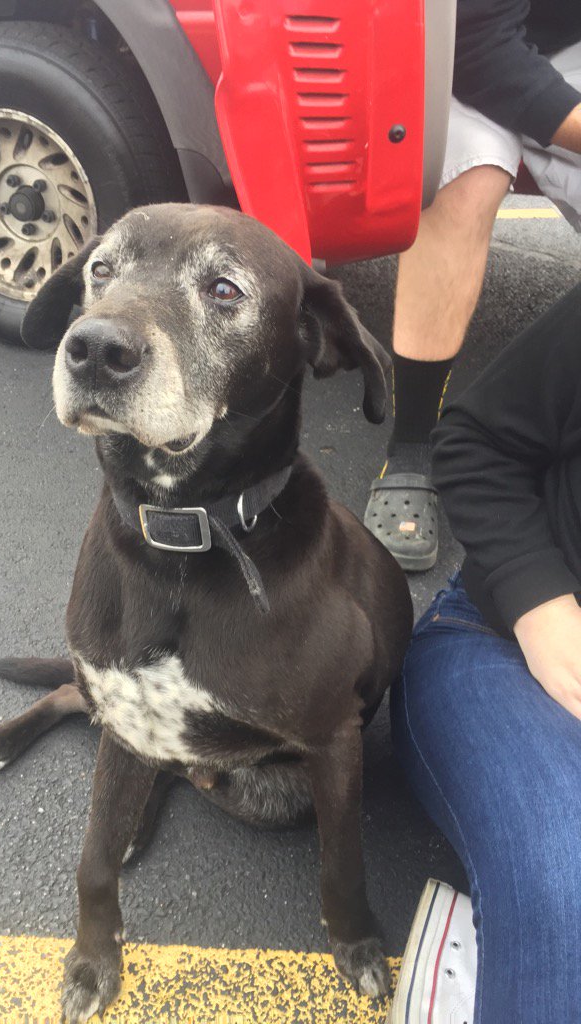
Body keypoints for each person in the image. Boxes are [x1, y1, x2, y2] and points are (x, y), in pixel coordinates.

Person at [388, 284, 581, 1023]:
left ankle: (492, 966)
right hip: (499, 641)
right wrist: (541, 604)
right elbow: (472, 440)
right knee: (569, 879)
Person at [365, 0, 581, 570]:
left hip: (567, 47)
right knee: (462, 173)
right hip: (458, 51)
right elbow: (477, 44)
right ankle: (412, 445)